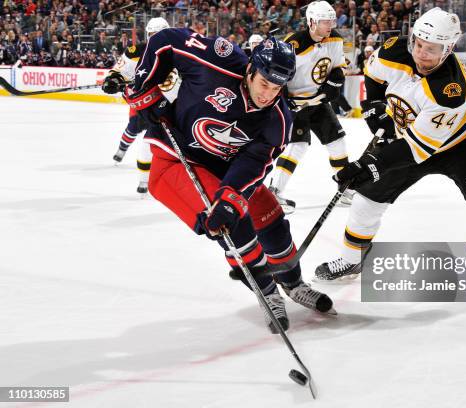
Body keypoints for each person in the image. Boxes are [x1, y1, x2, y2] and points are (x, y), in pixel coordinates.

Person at [126, 31, 335, 333]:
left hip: (224, 168)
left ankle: (293, 283)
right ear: (251, 69)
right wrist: (146, 87)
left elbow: (252, 164)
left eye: (277, 87)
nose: (268, 94)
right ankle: (267, 292)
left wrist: (230, 198)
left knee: (272, 221)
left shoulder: (279, 120)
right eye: (264, 83)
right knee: (233, 226)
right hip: (175, 160)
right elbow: (165, 42)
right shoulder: (218, 59)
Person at [315, 7, 466, 306]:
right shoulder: (393, 50)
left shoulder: (450, 90)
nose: (422, 54)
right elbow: (373, 76)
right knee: (365, 202)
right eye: (419, 44)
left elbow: (416, 149)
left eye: (433, 49)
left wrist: (369, 166)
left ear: (448, 49)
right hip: (407, 135)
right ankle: (351, 259)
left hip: (463, 142)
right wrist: (375, 110)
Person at [267, 0, 353, 214]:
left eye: (332, 21)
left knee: (337, 141)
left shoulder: (335, 39)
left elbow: (337, 67)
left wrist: (334, 82)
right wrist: (283, 98)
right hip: (296, 103)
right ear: (312, 21)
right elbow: (276, 74)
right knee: (298, 146)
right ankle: (274, 192)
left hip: (318, 101)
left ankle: (344, 189)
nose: (330, 26)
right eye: (326, 21)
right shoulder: (293, 44)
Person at [102, 17, 177, 194]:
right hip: (143, 102)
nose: (157, 38)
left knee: (158, 137)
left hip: (168, 103)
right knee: (135, 127)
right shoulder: (136, 50)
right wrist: (113, 79)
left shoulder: (178, 50)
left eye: (161, 34)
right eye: (153, 35)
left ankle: (147, 180)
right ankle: (123, 151)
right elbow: (120, 70)